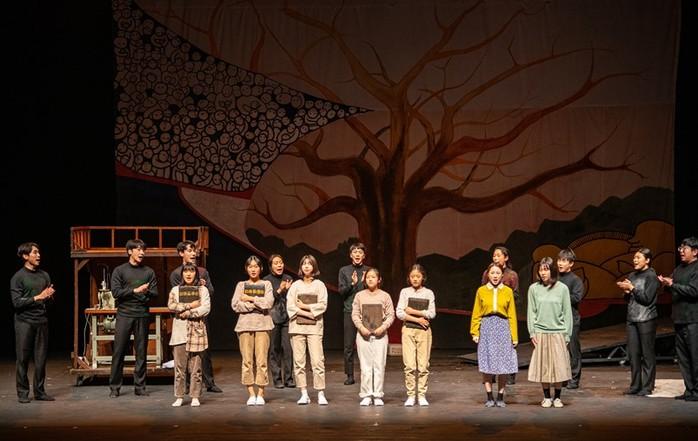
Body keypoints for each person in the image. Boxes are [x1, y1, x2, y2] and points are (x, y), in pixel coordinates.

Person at [169, 240, 222, 393]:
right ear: (181, 253)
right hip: (183, 318)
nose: (193, 253)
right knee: (184, 351)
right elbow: (177, 295)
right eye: (189, 250)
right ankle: (186, 385)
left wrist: (203, 286)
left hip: (199, 317)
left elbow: (210, 292)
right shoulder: (176, 274)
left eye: (194, 250)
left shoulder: (203, 271)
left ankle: (209, 382)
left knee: (204, 350)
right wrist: (188, 307)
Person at [109, 239, 158, 398]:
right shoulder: (120, 270)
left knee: (141, 352)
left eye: (143, 249)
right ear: (130, 251)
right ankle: (115, 387)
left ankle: (140, 387)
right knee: (119, 351)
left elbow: (155, 293)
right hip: (124, 314)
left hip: (142, 315)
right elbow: (116, 292)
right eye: (138, 249)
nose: (142, 252)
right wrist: (135, 290)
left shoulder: (149, 272)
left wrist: (145, 291)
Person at [11, 242, 55, 403]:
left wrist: (49, 296)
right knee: (22, 358)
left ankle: (39, 391)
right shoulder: (18, 277)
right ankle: (23, 393)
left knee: (41, 359)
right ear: (25, 256)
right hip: (24, 322)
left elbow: (48, 301)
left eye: (39, 252)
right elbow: (16, 303)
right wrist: (38, 297)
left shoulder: (44, 275)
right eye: (35, 252)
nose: (38, 255)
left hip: (41, 320)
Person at [527, 257, 573, 408]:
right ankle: (546, 397)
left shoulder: (562, 288)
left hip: (558, 332)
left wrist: (567, 334)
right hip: (541, 332)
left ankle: (557, 397)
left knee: (558, 367)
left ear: (552, 271)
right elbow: (531, 312)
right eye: (541, 270)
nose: (543, 273)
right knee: (544, 367)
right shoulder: (534, 289)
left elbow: (567, 312)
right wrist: (532, 332)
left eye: (546, 270)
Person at [471, 264, 518, 408]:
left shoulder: (508, 291)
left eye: (498, 273)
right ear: (488, 275)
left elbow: (512, 315)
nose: (495, 276)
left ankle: (500, 396)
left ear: (502, 275)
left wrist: (514, 336)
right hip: (487, 327)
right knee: (487, 363)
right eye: (492, 273)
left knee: (503, 364)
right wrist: (475, 332)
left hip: (503, 327)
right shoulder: (481, 290)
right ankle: (490, 396)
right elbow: (476, 313)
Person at [659, 236, 698, 401]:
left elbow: (694, 291)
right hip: (679, 319)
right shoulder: (679, 268)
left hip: (693, 319)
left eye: (685, 248)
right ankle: (689, 390)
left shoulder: (696, 268)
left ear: (695, 251)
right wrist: (665, 283)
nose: (681, 251)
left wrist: (672, 285)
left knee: (695, 356)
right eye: (680, 248)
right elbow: (673, 287)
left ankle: (697, 391)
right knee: (683, 358)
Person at [231, 256, 274, 405]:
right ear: (246, 269)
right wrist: (256, 305)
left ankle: (261, 393)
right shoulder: (241, 285)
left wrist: (249, 299)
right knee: (247, 361)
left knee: (262, 361)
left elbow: (268, 303)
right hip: (244, 326)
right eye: (250, 267)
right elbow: (235, 305)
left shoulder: (266, 284)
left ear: (260, 268)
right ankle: (251, 393)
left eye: (256, 266)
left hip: (263, 325)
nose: (253, 269)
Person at [287, 255, 329, 405]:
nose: (306, 266)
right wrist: (308, 313)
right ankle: (303, 393)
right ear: (300, 267)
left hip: (314, 328)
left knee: (317, 361)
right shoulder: (295, 285)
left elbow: (323, 305)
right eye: (304, 264)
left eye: (309, 264)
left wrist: (303, 306)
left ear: (314, 267)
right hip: (297, 327)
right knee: (299, 362)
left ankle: (320, 392)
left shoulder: (320, 285)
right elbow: (290, 306)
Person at [616, 248, 658, 396]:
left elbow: (647, 299)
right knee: (633, 354)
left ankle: (647, 386)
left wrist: (632, 288)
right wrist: (626, 292)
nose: (634, 260)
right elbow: (629, 298)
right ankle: (635, 385)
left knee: (647, 353)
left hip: (646, 318)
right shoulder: (632, 275)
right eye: (634, 257)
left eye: (638, 257)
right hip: (632, 318)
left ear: (647, 260)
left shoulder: (651, 276)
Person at [168, 263, 211, 407]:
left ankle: (195, 396)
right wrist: (189, 306)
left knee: (196, 368)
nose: (188, 274)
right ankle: (179, 396)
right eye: (185, 271)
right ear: (182, 274)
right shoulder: (176, 290)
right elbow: (171, 305)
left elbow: (205, 308)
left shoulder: (202, 290)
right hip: (179, 332)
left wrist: (189, 313)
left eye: (191, 271)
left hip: (197, 332)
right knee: (179, 368)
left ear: (196, 274)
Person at [352, 268, 395, 406]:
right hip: (363, 335)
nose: (370, 279)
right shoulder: (359, 296)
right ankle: (366, 394)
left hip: (380, 335)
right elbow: (355, 314)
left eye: (373, 277)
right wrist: (361, 328)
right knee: (365, 366)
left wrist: (383, 327)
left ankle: (377, 394)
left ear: (379, 279)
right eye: (368, 277)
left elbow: (391, 315)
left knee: (379, 365)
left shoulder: (385, 296)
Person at [396, 264, 436, 406]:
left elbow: (432, 313)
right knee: (409, 364)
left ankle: (422, 394)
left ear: (422, 277)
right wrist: (417, 319)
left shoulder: (428, 293)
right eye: (412, 276)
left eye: (418, 276)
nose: (415, 279)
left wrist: (413, 311)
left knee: (423, 364)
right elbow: (400, 312)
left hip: (424, 331)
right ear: (409, 277)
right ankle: (411, 395)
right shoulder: (405, 292)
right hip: (408, 329)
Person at [481, 245, 519, 385]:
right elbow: (483, 290)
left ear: (506, 257)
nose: (496, 258)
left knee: (507, 347)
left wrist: (503, 295)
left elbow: (516, 294)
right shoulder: (487, 272)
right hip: (490, 315)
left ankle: (509, 375)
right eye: (494, 255)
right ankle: (490, 374)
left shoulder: (511, 275)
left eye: (499, 255)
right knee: (490, 346)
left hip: (505, 312)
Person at [338, 243, 368, 385]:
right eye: (355, 252)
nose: (357, 254)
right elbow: (342, 292)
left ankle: (367, 372)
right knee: (349, 346)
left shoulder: (368, 271)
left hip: (366, 311)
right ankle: (349, 375)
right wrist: (353, 284)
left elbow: (372, 290)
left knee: (367, 344)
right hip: (349, 310)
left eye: (360, 252)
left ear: (364, 255)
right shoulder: (344, 271)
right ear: (351, 255)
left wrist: (363, 283)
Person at [264, 254, 295, 388]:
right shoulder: (266, 281)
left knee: (288, 349)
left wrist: (288, 290)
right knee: (274, 349)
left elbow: (293, 298)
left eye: (281, 262)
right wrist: (280, 289)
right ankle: (277, 379)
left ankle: (289, 378)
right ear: (271, 266)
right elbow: (268, 300)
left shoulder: (288, 278)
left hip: (287, 318)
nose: (279, 265)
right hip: (273, 318)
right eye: (276, 263)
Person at [557, 248, 585, 389]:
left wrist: (561, 295)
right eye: (559, 260)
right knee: (560, 351)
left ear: (571, 263)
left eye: (563, 260)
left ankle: (574, 378)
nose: (560, 263)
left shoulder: (575, 280)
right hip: (557, 320)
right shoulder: (555, 279)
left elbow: (577, 298)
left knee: (573, 350)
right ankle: (563, 377)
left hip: (572, 320)